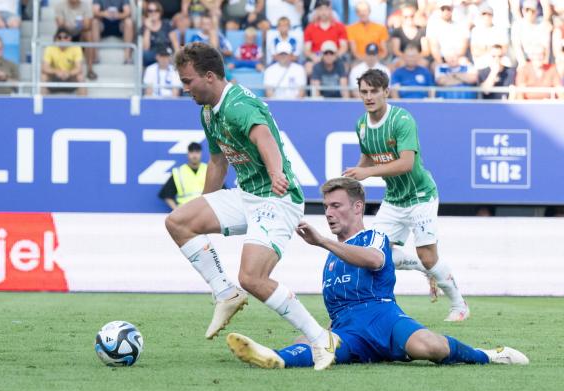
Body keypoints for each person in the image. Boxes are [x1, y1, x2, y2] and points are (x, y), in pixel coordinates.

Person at [225, 177, 529, 369]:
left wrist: (323, 241)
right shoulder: (331, 259)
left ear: (357, 207)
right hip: (350, 331)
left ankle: (488, 354)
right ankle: (273, 357)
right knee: (314, 346)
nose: (329, 213)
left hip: (385, 320)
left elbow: (373, 261)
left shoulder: (374, 238)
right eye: (326, 206)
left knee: (432, 347)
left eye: (336, 205)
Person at [168, 42, 337, 370]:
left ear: (210, 76)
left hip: (277, 198)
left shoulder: (238, 105)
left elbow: (265, 139)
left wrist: (276, 174)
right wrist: (206, 205)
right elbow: (217, 162)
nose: (184, 88)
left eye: (188, 81)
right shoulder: (208, 113)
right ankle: (224, 293)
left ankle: (321, 338)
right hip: (247, 195)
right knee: (179, 221)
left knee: (253, 277)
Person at [343, 69, 470, 322]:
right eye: (364, 92)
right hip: (394, 198)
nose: (369, 97)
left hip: (420, 196)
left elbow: (406, 164)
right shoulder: (361, 125)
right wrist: (353, 177)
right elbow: (368, 156)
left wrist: (366, 172)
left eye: (374, 91)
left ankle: (459, 305)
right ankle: (422, 270)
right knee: (374, 252)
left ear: (386, 92)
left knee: (429, 257)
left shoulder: (402, 120)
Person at [303, 0, 348, 75]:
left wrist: (333, 57)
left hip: (334, 56)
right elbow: (307, 50)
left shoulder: (339, 27)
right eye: (320, 9)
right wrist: (315, 57)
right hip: (317, 57)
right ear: (317, 11)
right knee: (309, 67)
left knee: (345, 67)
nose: (323, 12)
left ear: (330, 10)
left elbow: (344, 47)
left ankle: (341, 86)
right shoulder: (310, 28)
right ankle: (314, 86)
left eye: (326, 9)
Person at [158, 142, 208, 210]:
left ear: (201, 154)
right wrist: (176, 210)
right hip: (186, 212)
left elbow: (221, 192)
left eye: (197, 152)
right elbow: (165, 194)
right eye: (191, 152)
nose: (194, 155)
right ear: (187, 154)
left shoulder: (209, 170)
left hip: (205, 211)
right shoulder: (179, 172)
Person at [55, 0, 96, 80]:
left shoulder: (86, 5)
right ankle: (60, 69)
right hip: (66, 34)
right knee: (61, 35)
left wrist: (71, 26)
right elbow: (60, 25)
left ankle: (90, 69)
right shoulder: (60, 5)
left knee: (89, 34)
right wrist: (76, 26)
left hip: (80, 35)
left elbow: (88, 25)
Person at [41, 28, 86, 95]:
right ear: (56, 39)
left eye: (65, 37)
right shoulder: (50, 48)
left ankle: (83, 103)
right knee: (44, 76)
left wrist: (68, 73)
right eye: (59, 37)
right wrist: (57, 72)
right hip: (55, 76)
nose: (62, 40)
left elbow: (79, 68)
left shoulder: (76, 48)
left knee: (80, 76)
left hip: (70, 76)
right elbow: (45, 68)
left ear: (70, 38)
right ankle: (41, 103)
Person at [92, 0, 134, 64]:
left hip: (119, 25)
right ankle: (96, 57)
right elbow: (94, 11)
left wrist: (118, 15)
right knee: (94, 22)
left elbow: (128, 12)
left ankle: (127, 57)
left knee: (129, 22)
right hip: (104, 24)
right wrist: (104, 14)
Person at [141, 1, 173, 68]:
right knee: (144, 54)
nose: (153, 13)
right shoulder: (145, 27)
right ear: (147, 13)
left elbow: (175, 43)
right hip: (153, 55)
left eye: (156, 10)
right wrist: (148, 28)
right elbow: (146, 48)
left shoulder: (166, 24)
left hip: (167, 52)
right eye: (150, 11)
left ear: (160, 12)